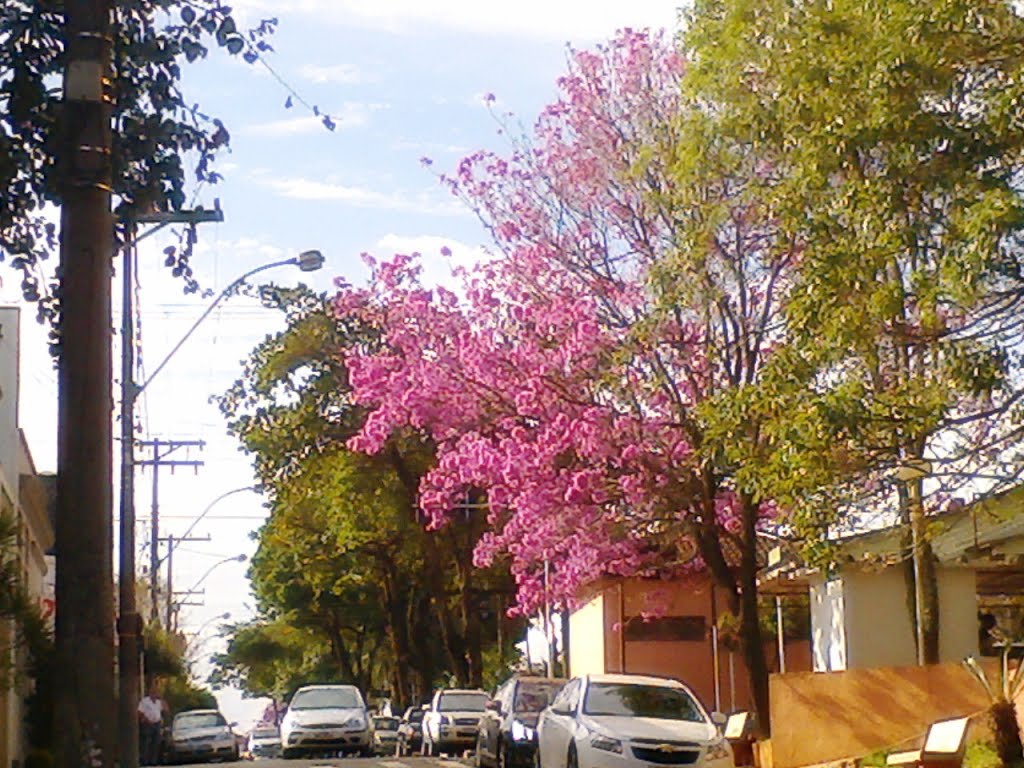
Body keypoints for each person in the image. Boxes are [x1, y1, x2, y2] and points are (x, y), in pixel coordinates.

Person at [139, 679, 168, 766]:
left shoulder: (159, 702)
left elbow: (166, 709)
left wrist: (162, 699)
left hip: (157, 723)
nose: (155, 693)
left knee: (156, 742)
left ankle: (153, 761)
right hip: (148, 723)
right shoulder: (145, 701)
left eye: (156, 692)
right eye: (154, 692)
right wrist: (146, 720)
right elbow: (140, 712)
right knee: (147, 743)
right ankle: (145, 761)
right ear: (150, 692)